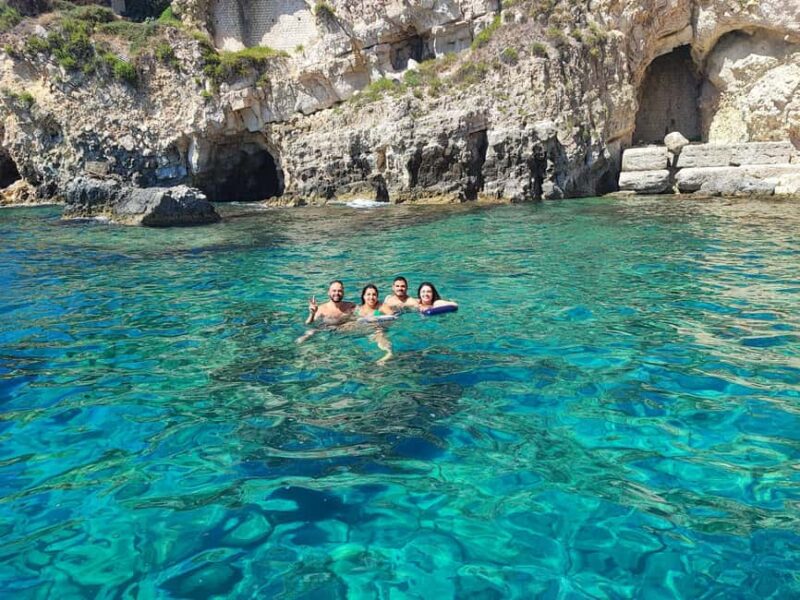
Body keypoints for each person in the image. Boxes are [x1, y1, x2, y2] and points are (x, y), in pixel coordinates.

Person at [356, 283, 394, 363]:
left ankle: (388, 352)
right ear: (364, 296)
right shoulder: (360, 310)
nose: (371, 297)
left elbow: (392, 316)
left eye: (374, 295)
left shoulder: (381, 306)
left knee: (379, 333)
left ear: (377, 296)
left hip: (380, 328)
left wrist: (378, 319)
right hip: (366, 330)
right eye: (368, 294)